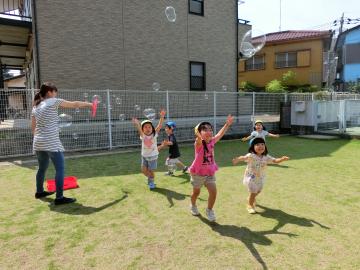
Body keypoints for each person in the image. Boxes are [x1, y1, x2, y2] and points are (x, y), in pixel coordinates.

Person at [31, 82, 93, 205]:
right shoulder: (53, 101)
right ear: (49, 92)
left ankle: (39, 192)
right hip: (51, 142)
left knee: (42, 168)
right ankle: (59, 198)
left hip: (38, 141)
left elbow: (33, 127)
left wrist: (40, 139)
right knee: (60, 168)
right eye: (55, 92)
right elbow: (75, 104)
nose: (56, 94)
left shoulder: (36, 106)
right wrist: (90, 104)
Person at [189, 115, 234, 222]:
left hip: (209, 172)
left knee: (213, 192)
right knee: (196, 193)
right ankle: (193, 205)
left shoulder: (212, 141)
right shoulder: (198, 143)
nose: (209, 131)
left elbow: (220, 134)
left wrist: (227, 124)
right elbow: (198, 140)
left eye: (210, 129)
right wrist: (199, 136)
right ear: (199, 133)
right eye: (205, 129)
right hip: (198, 173)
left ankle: (209, 210)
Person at [232, 137, 289, 214]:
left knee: (258, 191)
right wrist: (238, 159)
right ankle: (250, 205)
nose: (260, 146)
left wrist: (282, 159)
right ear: (253, 147)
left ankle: (250, 198)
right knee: (253, 192)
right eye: (257, 144)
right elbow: (244, 157)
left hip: (261, 177)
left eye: (262, 144)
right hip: (251, 178)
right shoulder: (251, 155)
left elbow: (275, 160)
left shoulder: (266, 157)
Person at [132, 109, 166, 190]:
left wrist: (162, 117)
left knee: (150, 171)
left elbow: (159, 126)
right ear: (143, 129)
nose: (148, 128)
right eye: (145, 127)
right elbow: (139, 130)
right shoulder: (143, 136)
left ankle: (151, 182)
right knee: (144, 170)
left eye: (149, 127)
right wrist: (137, 124)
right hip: (144, 156)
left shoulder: (154, 135)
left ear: (152, 128)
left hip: (152, 156)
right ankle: (151, 178)